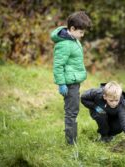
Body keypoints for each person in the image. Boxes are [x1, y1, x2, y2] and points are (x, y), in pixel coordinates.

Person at [50, 11, 91, 145]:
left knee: (74, 110)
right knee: (71, 112)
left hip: (74, 81)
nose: (82, 35)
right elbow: (58, 65)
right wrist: (61, 84)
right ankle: (71, 143)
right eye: (81, 32)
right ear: (72, 29)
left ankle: (72, 140)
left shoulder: (72, 39)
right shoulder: (64, 44)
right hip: (69, 84)